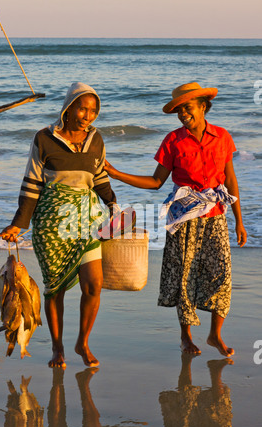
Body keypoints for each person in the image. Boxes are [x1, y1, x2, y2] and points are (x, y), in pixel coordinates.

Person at [104, 82, 247, 357]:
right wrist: (116, 173)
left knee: (222, 274)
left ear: (203, 106)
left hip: (216, 215)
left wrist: (239, 221)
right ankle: (186, 337)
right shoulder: (173, 140)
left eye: (188, 107)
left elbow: (230, 180)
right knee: (184, 277)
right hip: (183, 217)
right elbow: (157, 181)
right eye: (180, 110)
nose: (183, 113)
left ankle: (215, 335)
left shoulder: (222, 137)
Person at [0, 82, 117, 368]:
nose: (87, 116)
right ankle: (57, 347)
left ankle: (82, 343)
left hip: (88, 220)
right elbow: (31, 185)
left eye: (93, 111)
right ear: (68, 106)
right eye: (82, 108)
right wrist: (18, 224)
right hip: (52, 224)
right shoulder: (44, 138)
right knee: (55, 289)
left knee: (94, 285)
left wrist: (113, 206)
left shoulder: (96, 139)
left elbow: (99, 177)